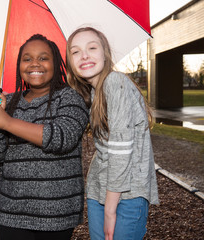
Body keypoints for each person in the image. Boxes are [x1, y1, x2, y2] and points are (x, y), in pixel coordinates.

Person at [0, 34, 89, 240]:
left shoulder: (69, 97)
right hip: (12, 213)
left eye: (43, 58)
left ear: (56, 62)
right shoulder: (9, 101)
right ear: (19, 64)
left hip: (56, 214)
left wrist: (6, 122)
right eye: (27, 58)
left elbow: (62, 137)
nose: (35, 64)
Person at [66, 27, 159, 240]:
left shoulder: (116, 82)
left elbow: (120, 148)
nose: (85, 55)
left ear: (105, 53)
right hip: (99, 189)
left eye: (92, 47)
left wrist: (110, 209)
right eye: (76, 51)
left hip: (126, 194)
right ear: (70, 61)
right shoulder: (91, 93)